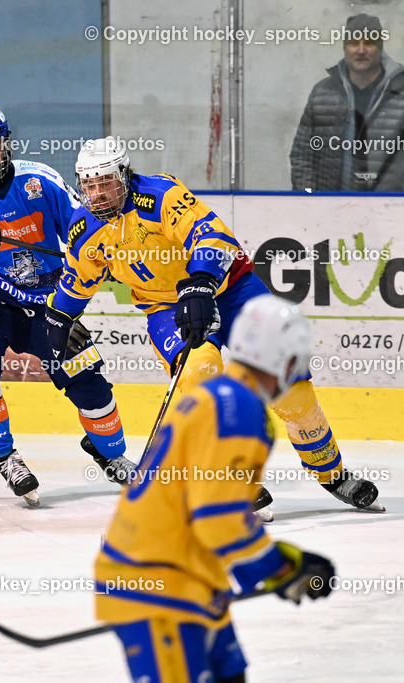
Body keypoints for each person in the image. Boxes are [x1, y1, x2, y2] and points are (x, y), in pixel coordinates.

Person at [47, 136, 383, 516]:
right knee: (199, 374)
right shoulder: (85, 230)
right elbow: (76, 282)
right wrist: (57, 323)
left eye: (106, 182)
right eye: (89, 185)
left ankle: (332, 473)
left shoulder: (161, 195)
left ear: (124, 175)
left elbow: (213, 235)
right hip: (166, 308)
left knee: (291, 390)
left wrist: (200, 282)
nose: (98, 193)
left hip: (230, 289)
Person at [94, 296, 336, 683]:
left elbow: (216, 508)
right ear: (285, 362)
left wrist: (287, 561)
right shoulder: (239, 409)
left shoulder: (216, 396)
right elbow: (217, 518)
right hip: (158, 583)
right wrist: (276, 569)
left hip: (188, 577)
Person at [0, 106, 137, 506]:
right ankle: (7, 459)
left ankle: (111, 455)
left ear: (7, 144)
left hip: (49, 305)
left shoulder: (40, 180)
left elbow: (84, 230)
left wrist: (93, 264)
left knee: (89, 383)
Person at [290, 13, 404, 191]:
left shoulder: (401, 91)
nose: (360, 50)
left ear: (379, 48)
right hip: (332, 210)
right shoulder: (323, 93)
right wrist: (310, 202)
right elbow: (301, 156)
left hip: (389, 211)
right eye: (353, 42)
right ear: (344, 48)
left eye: (368, 43)